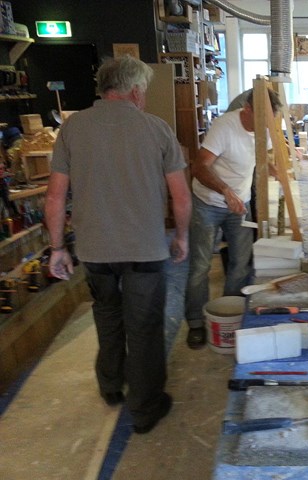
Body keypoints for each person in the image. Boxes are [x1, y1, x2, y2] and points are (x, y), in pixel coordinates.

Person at [44, 55, 192, 434]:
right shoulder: (157, 129)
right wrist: (181, 236)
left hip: (95, 251)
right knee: (144, 327)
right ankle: (145, 408)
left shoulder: (72, 128)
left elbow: (55, 196)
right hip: (144, 250)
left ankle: (111, 385)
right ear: (136, 90)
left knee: (107, 316)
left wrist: (57, 248)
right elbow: (181, 196)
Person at [184, 88, 282, 349]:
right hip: (209, 203)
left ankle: (230, 313)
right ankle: (195, 322)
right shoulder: (224, 126)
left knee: (241, 262)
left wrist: (277, 171)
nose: (265, 126)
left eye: (269, 120)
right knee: (201, 266)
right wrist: (225, 191)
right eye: (262, 119)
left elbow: (259, 158)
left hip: (240, 203)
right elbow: (199, 166)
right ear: (247, 109)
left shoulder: (264, 127)